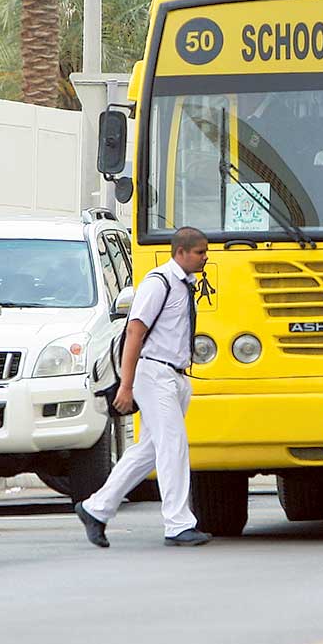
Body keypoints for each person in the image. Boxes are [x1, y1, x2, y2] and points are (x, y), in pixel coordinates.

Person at [76, 227, 213, 548]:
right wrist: (127, 385)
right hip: (154, 373)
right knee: (173, 444)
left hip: (175, 376)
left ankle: (95, 508)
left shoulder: (184, 285)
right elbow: (134, 333)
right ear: (180, 252)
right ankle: (178, 523)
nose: (205, 257)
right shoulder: (158, 283)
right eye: (200, 252)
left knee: (149, 450)